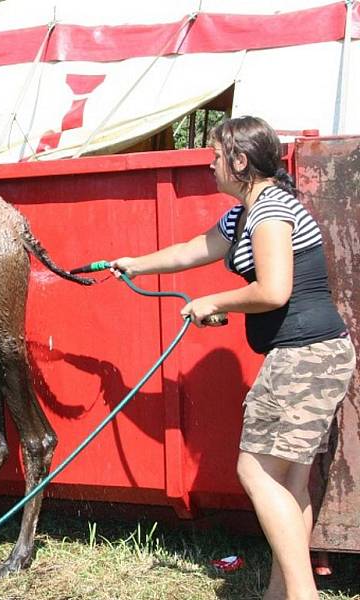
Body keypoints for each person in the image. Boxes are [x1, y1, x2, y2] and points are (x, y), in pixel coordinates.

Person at [110, 115, 356, 600]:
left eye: (216, 155)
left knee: (256, 471)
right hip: (315, 355)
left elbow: (273, 289)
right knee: (289, 478)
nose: (209, 163)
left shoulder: (270, 210)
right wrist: (134, 263)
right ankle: (280, 592)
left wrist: (213, 302)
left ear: (240, 161)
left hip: (303, 358)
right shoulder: (243, 214)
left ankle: (302, 595)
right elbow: (192, 250)